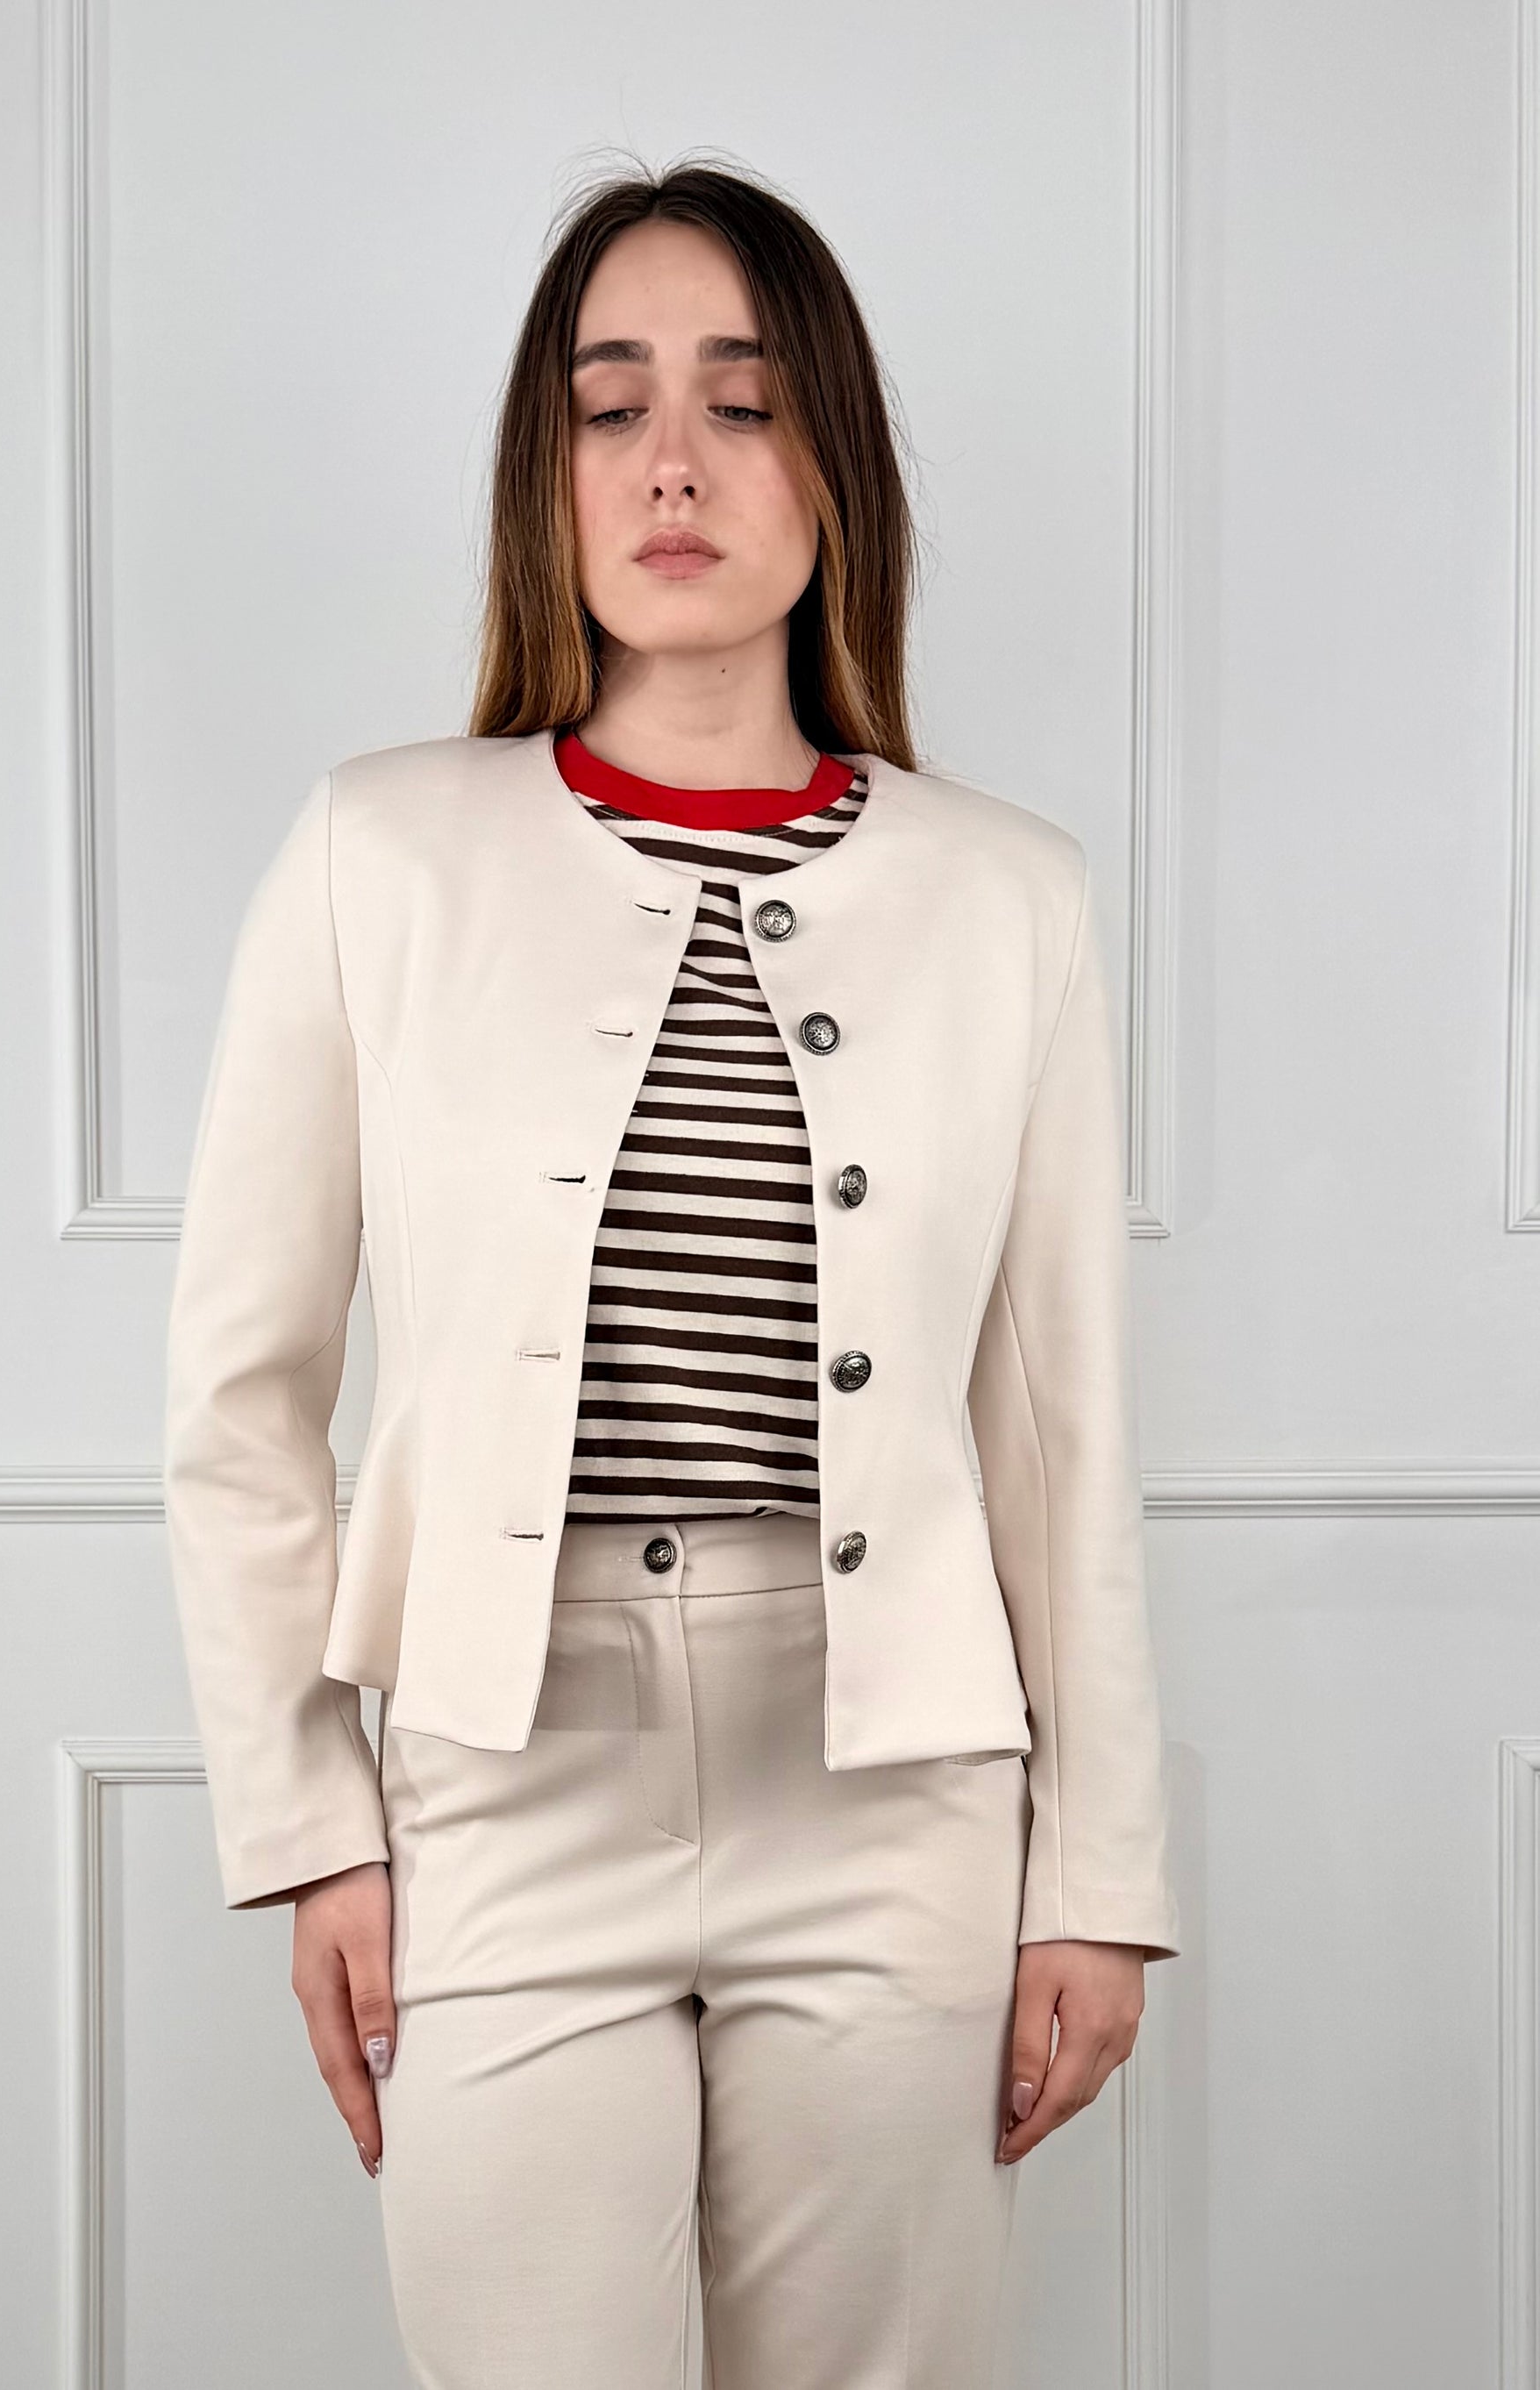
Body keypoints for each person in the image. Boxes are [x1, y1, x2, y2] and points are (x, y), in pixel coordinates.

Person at [163, 155, 1182, 2389]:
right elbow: (241, 1398)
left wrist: (1098, 1872)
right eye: (610, 405)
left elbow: (1058, 1429)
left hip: (893, 1787)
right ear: (546, 477)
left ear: (836, 466)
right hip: (503, 1776)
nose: (673, 464)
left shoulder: (1007, 897)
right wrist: (311, 1827)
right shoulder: (377, 852)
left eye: (742, 400)